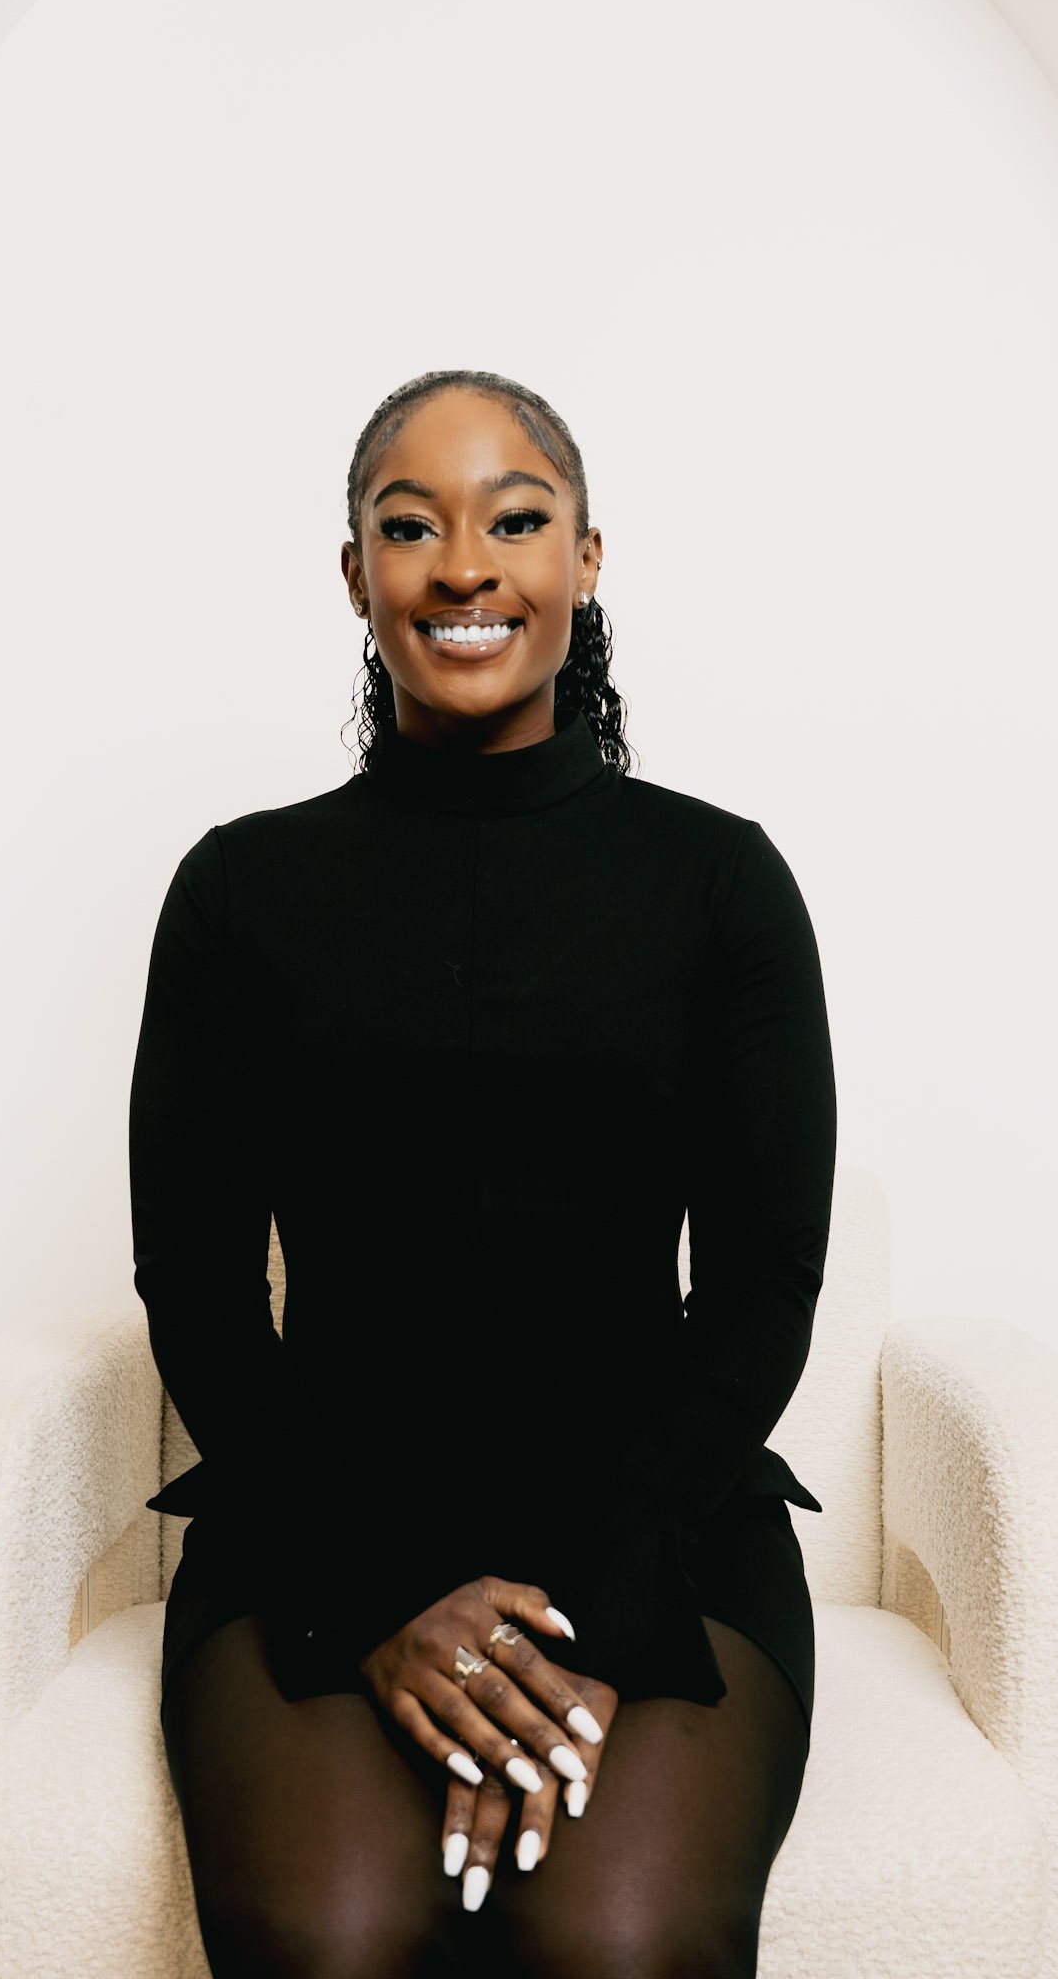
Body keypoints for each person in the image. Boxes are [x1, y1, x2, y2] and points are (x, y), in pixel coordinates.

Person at [128, 367, 837, 1977]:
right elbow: (196, 1290)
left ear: (585, 561)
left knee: (619, 1936)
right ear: (355, 572)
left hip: (650, 1517)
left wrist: (588, 1609)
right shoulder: (241, 890)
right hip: (320, 1515)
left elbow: (757, 1289)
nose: (465, 565)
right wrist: (383, 1598)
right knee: (328, 1930)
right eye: (410, 524)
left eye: (515, 519)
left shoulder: (718, 883)